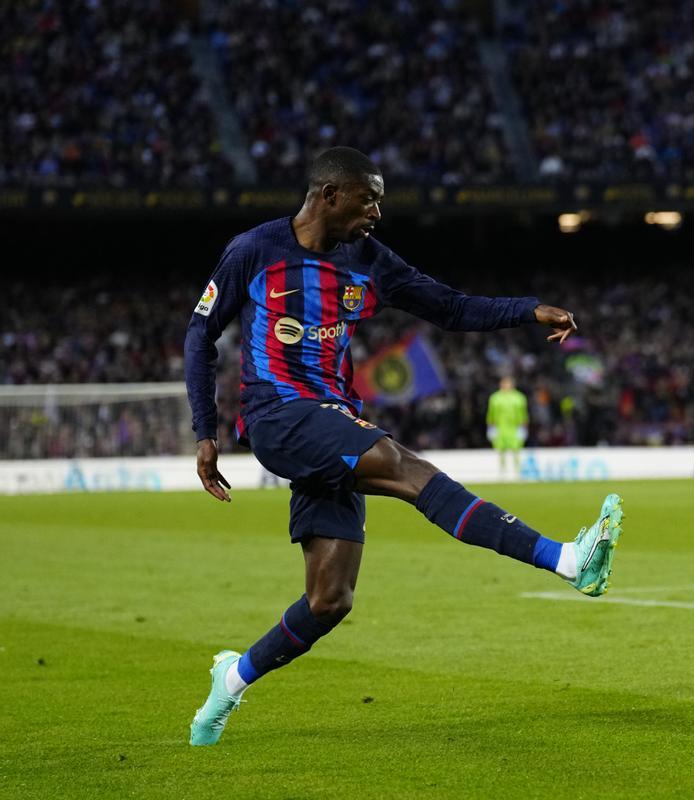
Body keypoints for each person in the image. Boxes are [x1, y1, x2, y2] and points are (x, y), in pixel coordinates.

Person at [183, 147, 625, 746]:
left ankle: (230, 681)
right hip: (276, 416)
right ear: (329, 195)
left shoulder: (367, 260)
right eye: (368, 199)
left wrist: (528, 309)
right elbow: (199, 335)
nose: (376, 213)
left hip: (331, 419)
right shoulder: (253, 251)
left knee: (329, 600)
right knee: (403, 466)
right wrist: (204, 432)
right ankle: (567, 560)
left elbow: (449, 306)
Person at [487, 376, 528, 477]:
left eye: (508, 383)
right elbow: (491, 413)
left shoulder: (519, 397)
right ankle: (502, 471)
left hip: (514, 427)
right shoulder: (495, 398)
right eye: (504, 383)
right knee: (501, 449)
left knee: (516, 449)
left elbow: (523, 413)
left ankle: (517, 471)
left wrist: (524, 427)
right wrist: (490, 427)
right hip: (500, 427)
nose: (506, 386)